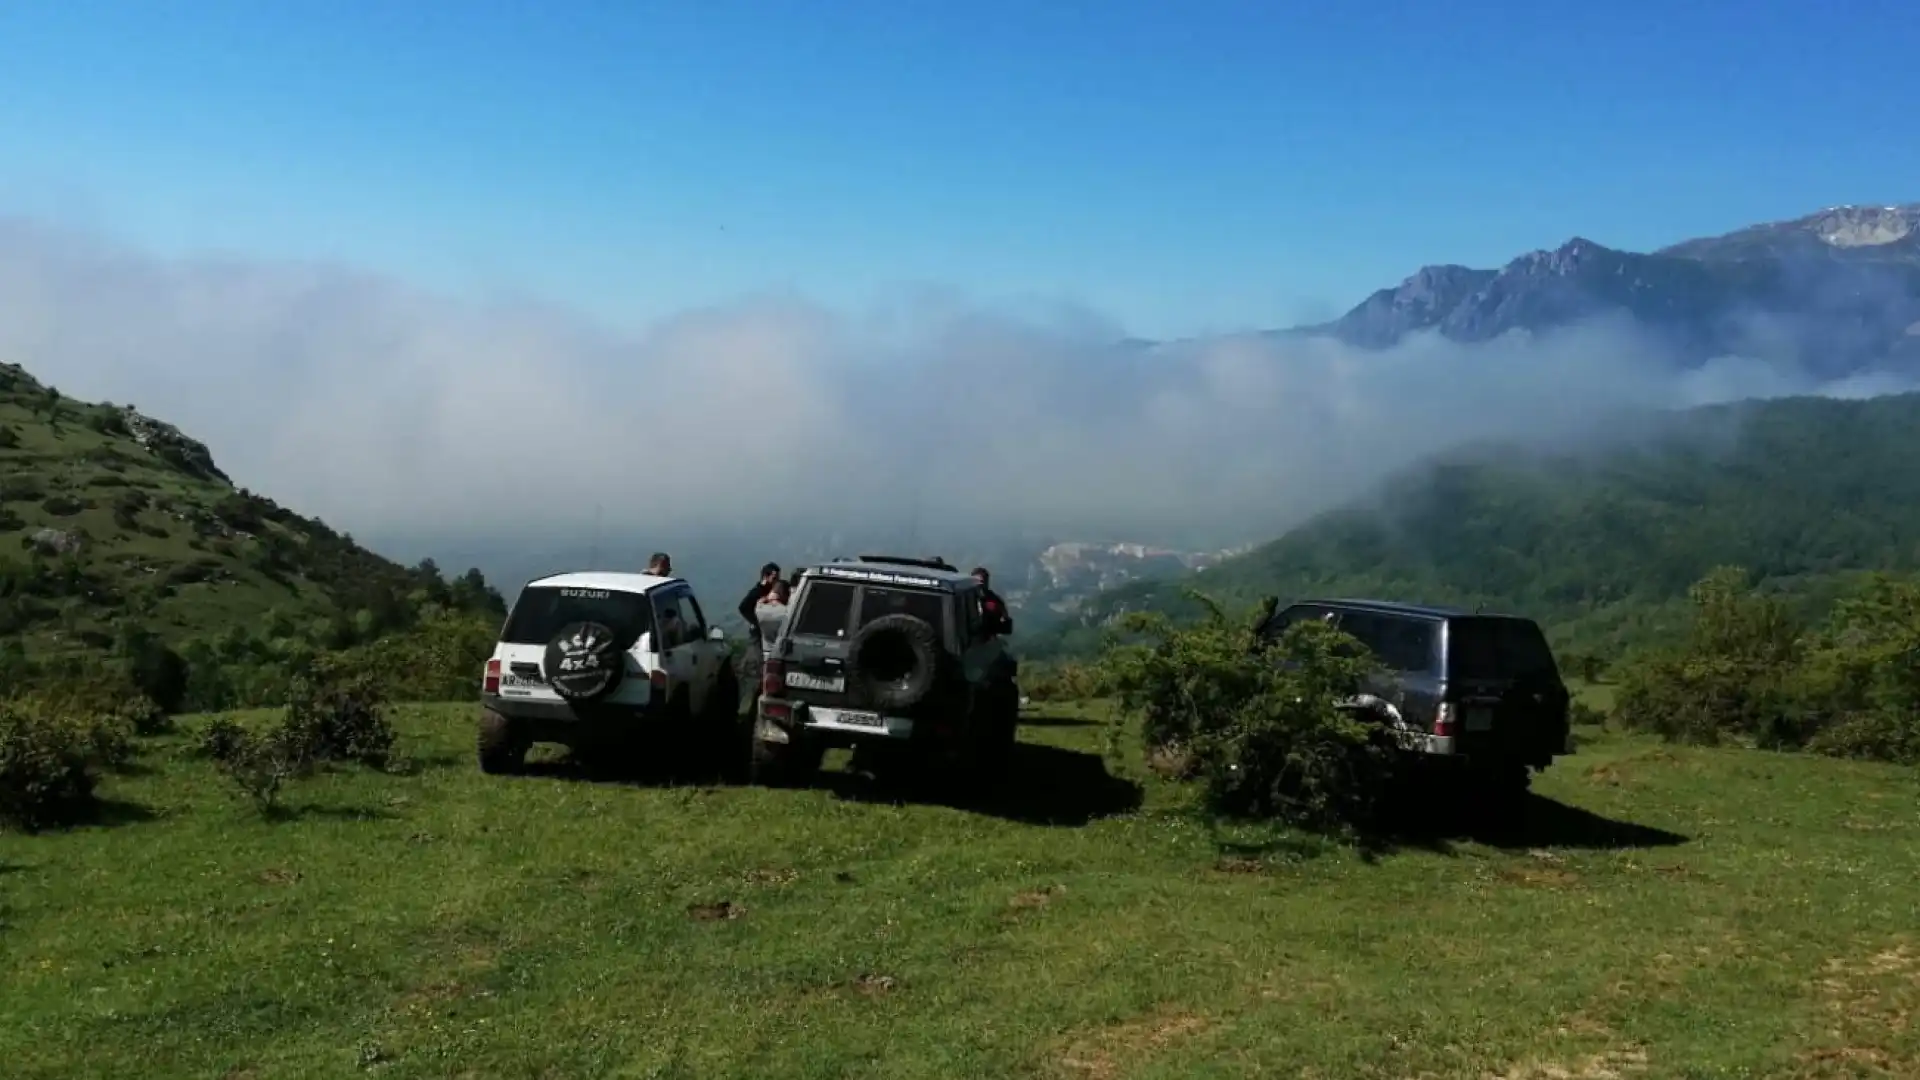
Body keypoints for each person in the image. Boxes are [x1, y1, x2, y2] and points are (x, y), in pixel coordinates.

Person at [736, 563, 781, 716]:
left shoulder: (771, 592)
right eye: (774, 577)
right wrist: (756, 622)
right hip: (757, 637)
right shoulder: (757, 592)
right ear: (766, 576)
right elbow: (743, 607)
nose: (776, 580)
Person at [973, 566, 1013, 639]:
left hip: (989, 639)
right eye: (980, 582)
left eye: (984, 581)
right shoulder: (963, 599)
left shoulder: (995, 600)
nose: (982, 584)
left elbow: (1005, 618)